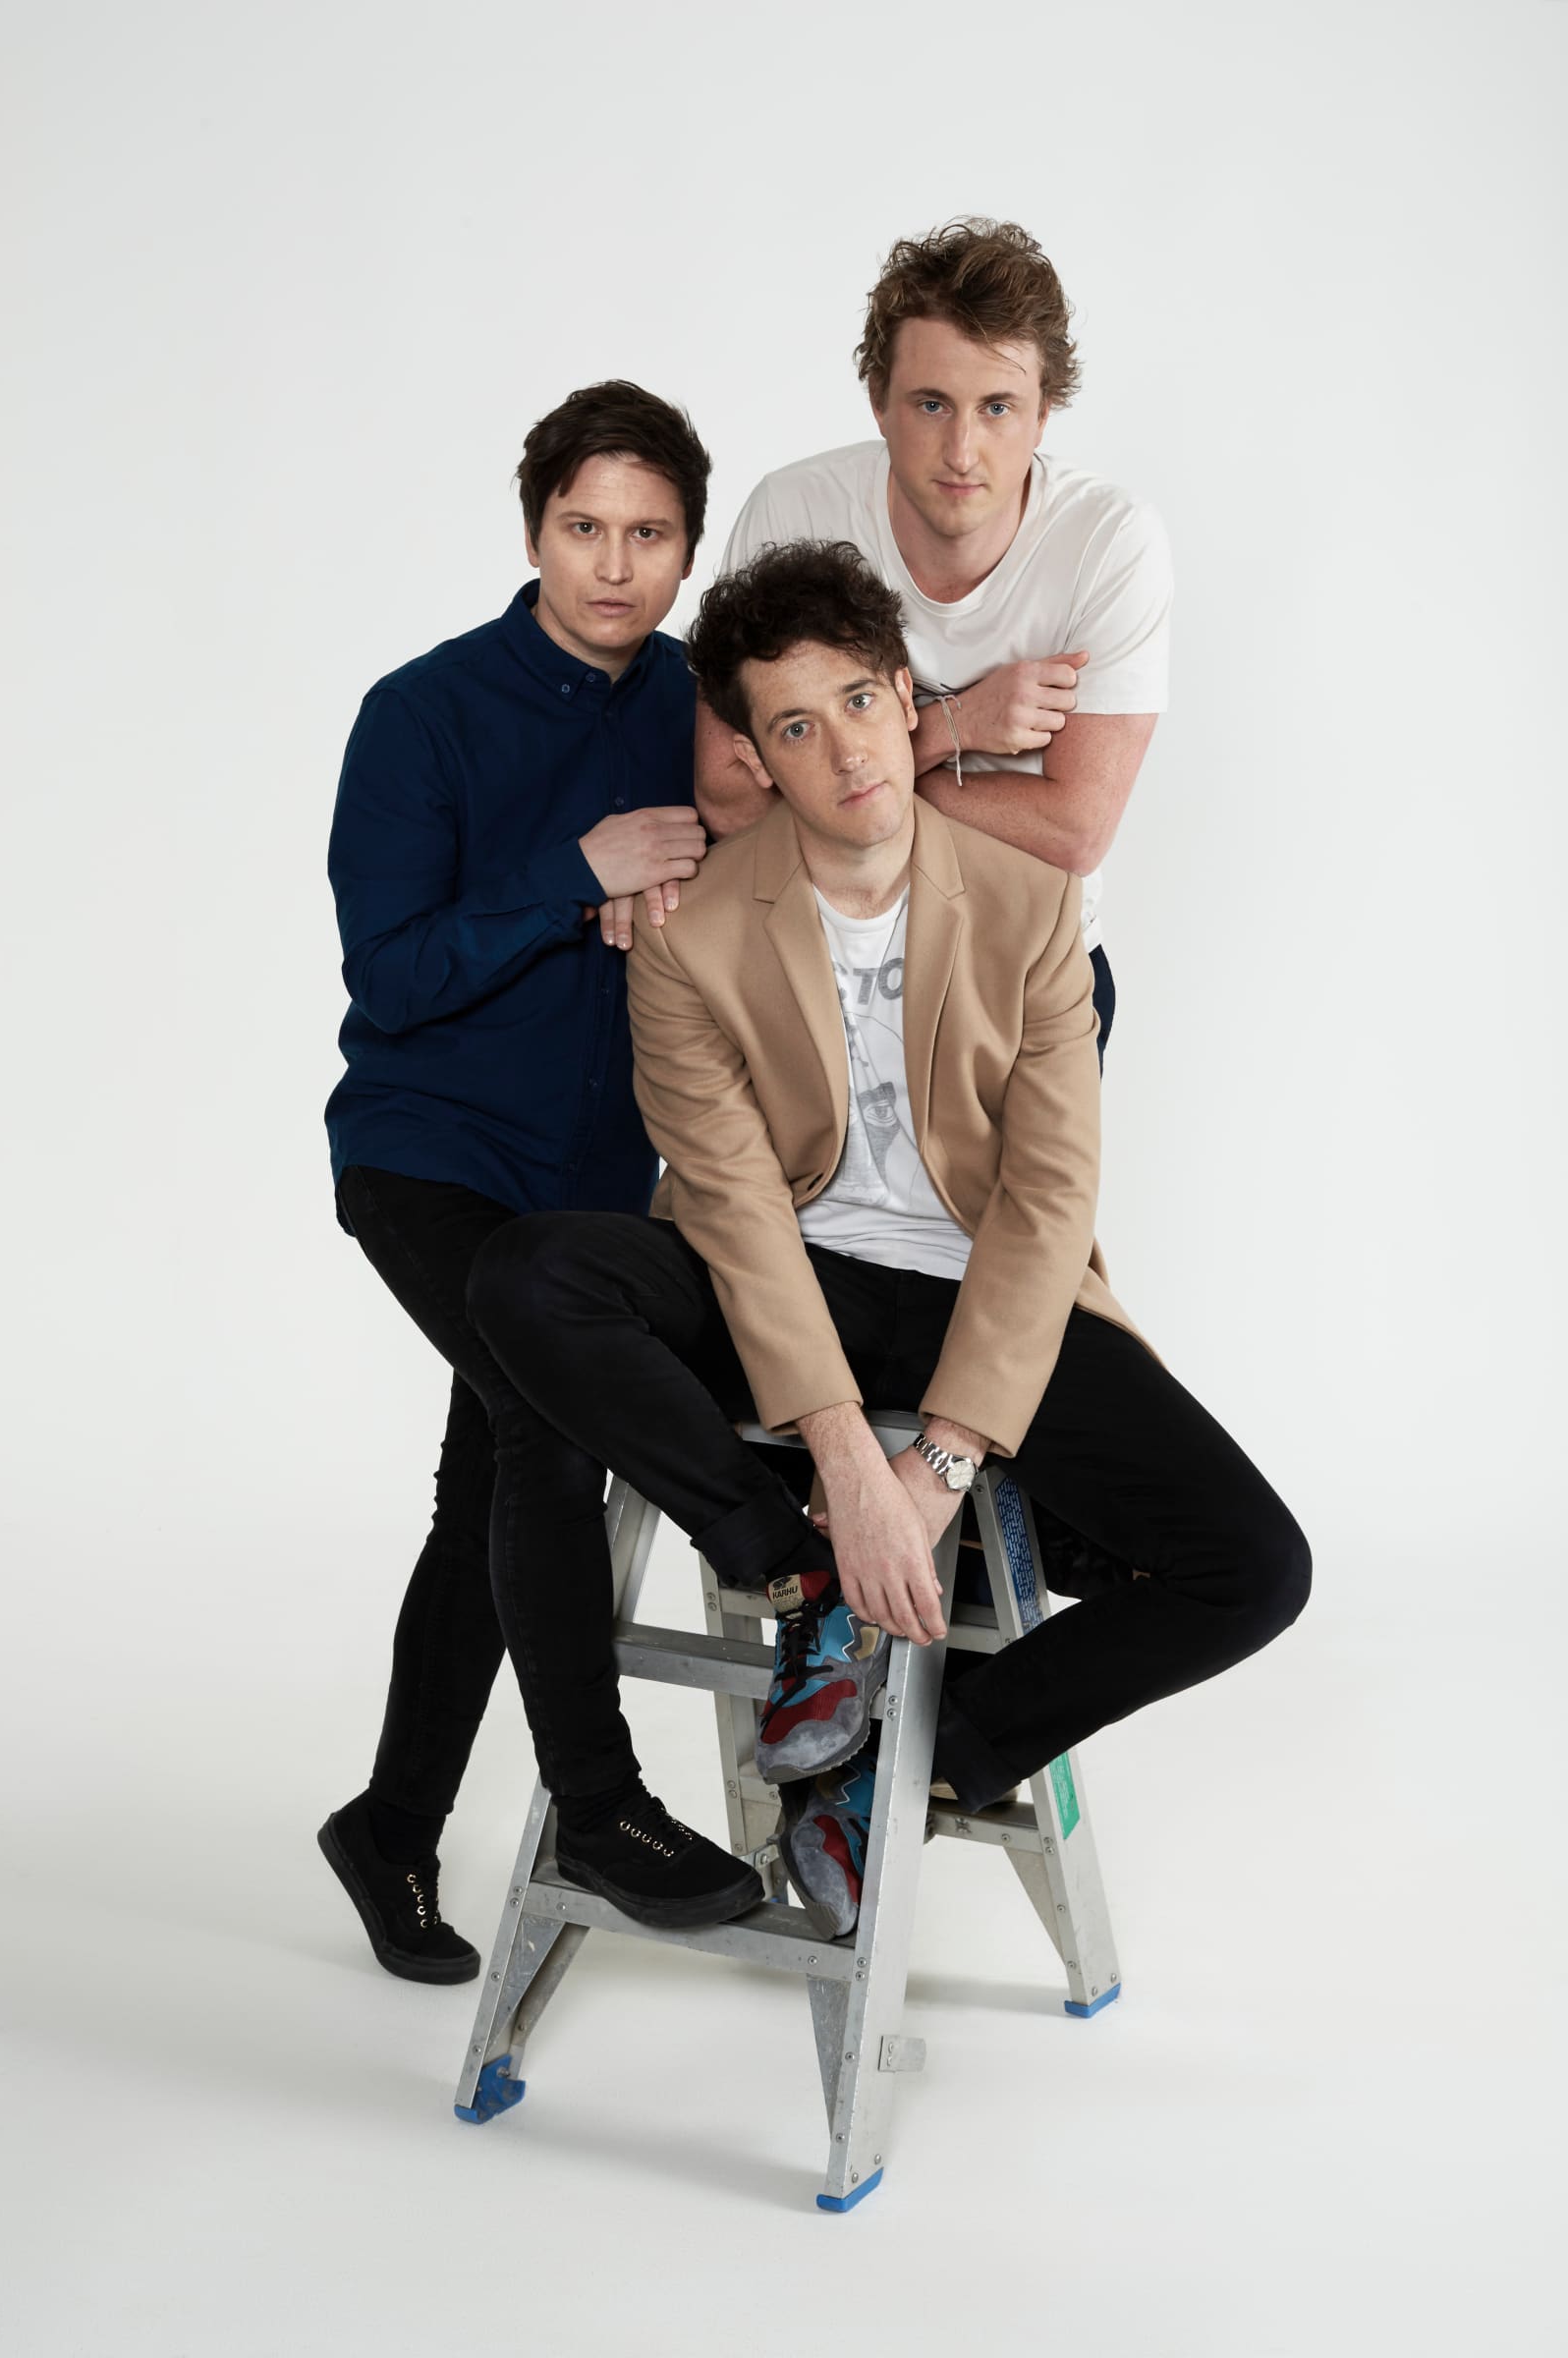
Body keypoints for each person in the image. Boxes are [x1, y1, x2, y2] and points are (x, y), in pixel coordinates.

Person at [463, 541, 1309, 1940]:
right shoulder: (690, 934)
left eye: (860, 700)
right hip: (783, 1282)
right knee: (528, 1275)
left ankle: (915, 1767)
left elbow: (1047, 1199)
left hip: (983, 1292)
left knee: (1256, 1568)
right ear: (755, 759)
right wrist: (847, 1470)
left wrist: (939, 1466)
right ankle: (798, 1576)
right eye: (796, 727)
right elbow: (732, 1202)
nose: (846, 749)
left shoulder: (1031, 905)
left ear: (909, 700)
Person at [318, 381, 713, 1981]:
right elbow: (394, 972)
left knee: (483, 1485)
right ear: (535, 528)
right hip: (427, 1155)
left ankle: (390, 1828)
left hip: (598, 1187)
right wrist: (577, 878)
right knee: (544, 1424)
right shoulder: (423, 713)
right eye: (584, 527)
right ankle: (601, 1807)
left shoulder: (700, 702)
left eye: (650, 533)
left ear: (687, 545)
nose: (615, 565)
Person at [698, 217, 1172, 1066]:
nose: (962, 451)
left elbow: (1073, 832)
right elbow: (730, 795)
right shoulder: (793, 512)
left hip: (1021, 967)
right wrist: (958, 727)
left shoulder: (1107, 541)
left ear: (1044, 413)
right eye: (931, 404)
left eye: (998, 408)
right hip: (817, 959)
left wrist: (856, 781)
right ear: (879, 400)